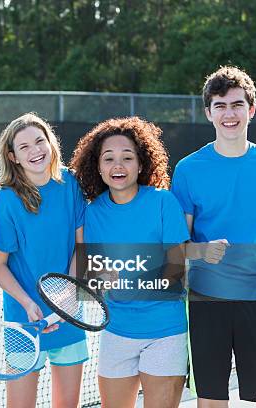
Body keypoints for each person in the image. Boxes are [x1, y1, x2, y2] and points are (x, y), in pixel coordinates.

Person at [171, 65, 256, 406]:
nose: (229, 114)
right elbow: (177, 247)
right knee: (211, 401)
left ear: (251, 109)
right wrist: (202, 251)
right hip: (206, 302)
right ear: (208, 112)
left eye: (236, 105)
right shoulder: (187, 170)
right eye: (220, 106)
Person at [70, 117, 189, 408]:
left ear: (141, 163)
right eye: (108, 158)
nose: (117, 166)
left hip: (165, 331)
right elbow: (94, 271)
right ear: (98, 166)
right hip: (116, 331)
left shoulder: (164, 203)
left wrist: (126, 277)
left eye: (127, 157)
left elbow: (176, 270)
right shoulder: (93, 212)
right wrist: (100, 276)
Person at [0, 113, 88, 408]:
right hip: (24, 322)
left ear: (50, 143)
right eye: (24, 147)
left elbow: (81, 247)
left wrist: (68, 293)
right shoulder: (6, 200)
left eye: (39, 141)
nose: (35, 151)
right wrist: (28, 304)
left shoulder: (71, 183)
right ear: (13, 157)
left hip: (69, 315)